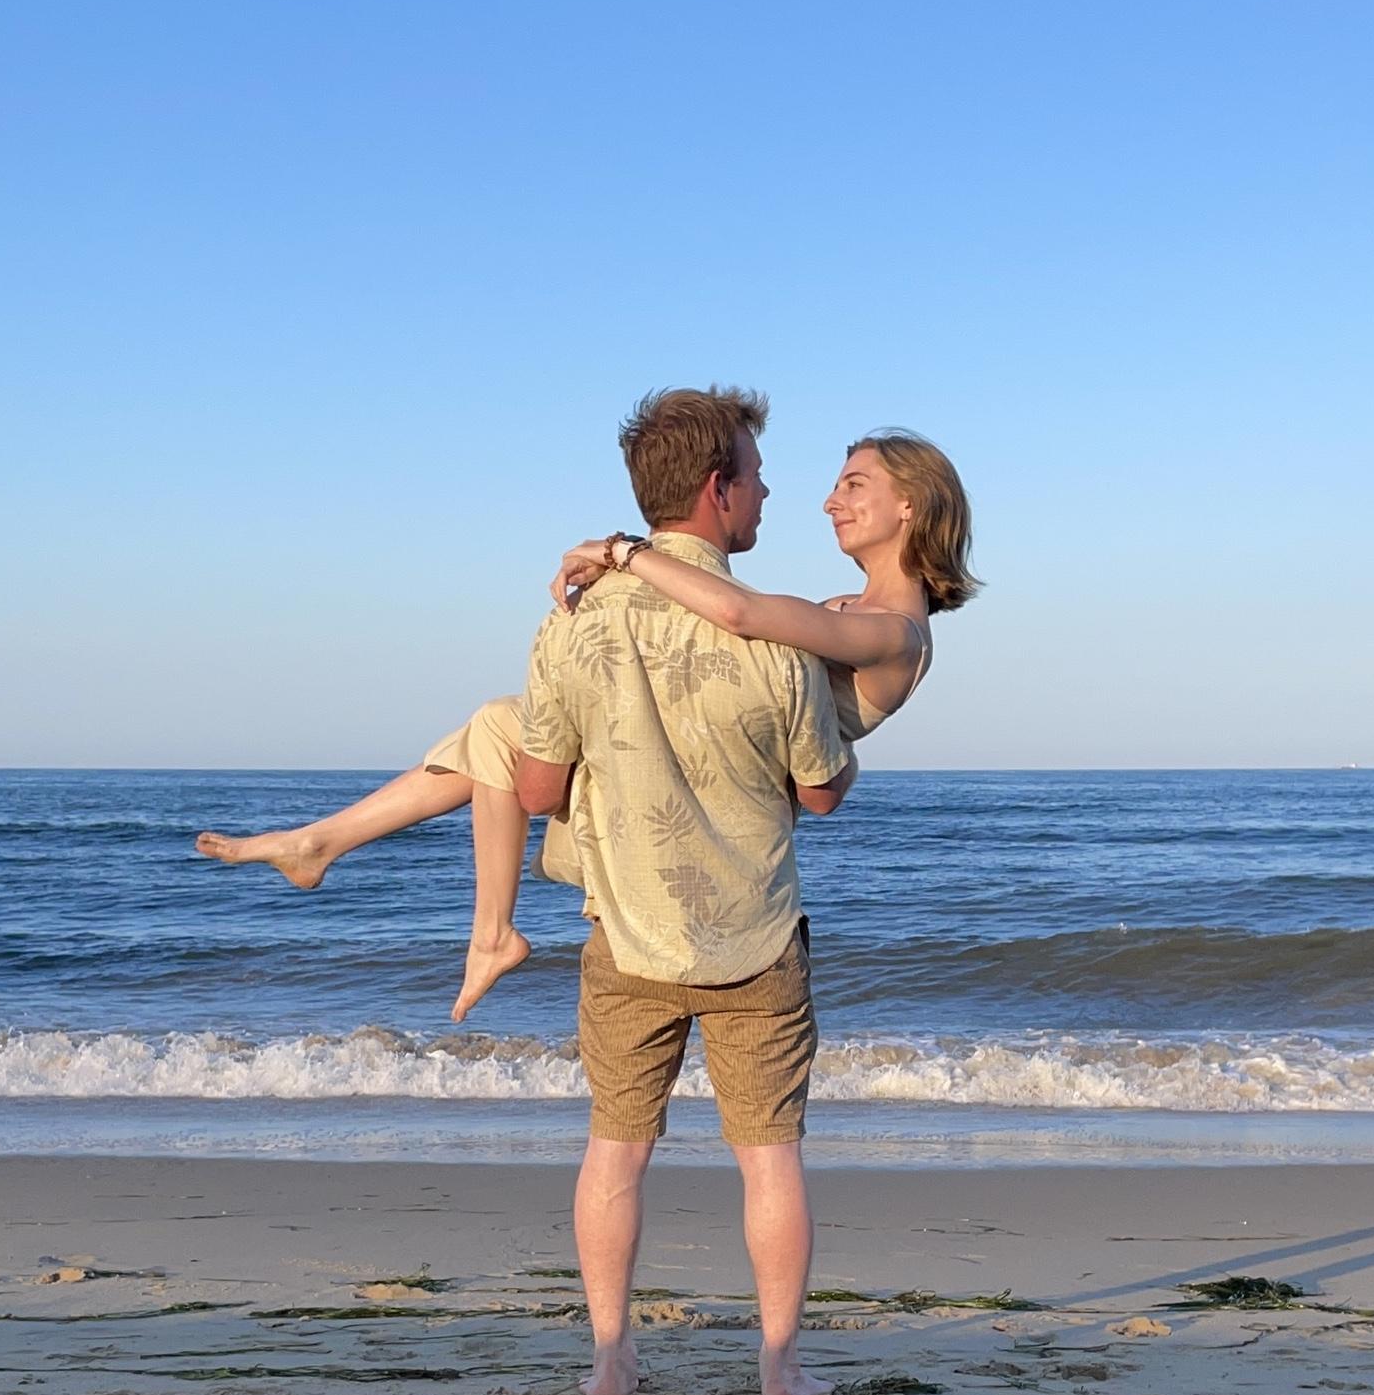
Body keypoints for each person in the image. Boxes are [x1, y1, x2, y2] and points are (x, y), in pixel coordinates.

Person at [194, 413, 978, 1024]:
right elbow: (740, 651)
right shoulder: (845, 608)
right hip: (709, 767)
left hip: (727, 793)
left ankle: (454, 914)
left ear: (910, 502)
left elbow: (740, 617)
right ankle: (344, 855)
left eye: (854, 485)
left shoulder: (894, 631)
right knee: (498, 727)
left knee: (502, 729)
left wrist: (626, 554)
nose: (829, 500)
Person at [514, 385, 852, 1395]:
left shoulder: (572, 625)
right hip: (756, 934)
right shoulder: (778, 637)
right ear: (717, 489)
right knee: (770, 1161)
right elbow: (819, 792)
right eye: (756, 474)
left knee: (615, 1149)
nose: (767, 492)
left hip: (629, 933)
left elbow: (535, 790)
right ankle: (779, 1366)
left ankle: (611, 1357)